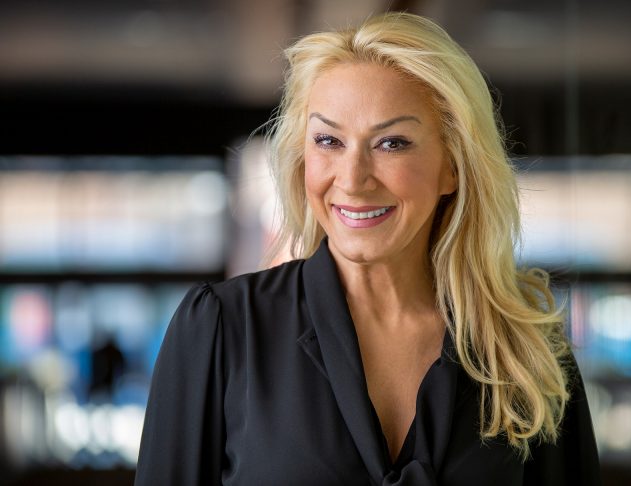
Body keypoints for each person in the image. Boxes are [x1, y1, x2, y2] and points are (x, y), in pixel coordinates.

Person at [135, 12, 601, 486]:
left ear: (453, 167)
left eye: (391, 143)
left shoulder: (527, 349)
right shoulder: (222, 328)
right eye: (328, 140)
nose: (352, 178)